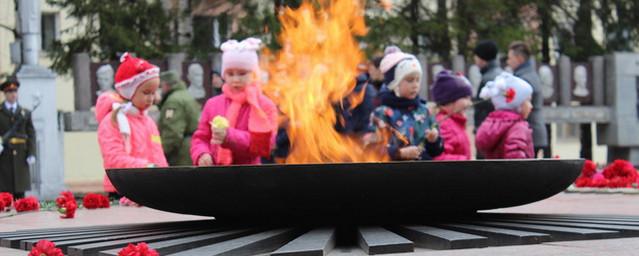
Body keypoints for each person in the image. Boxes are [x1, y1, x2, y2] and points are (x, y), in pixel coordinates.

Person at [191, 38, 278, 166]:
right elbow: (201, 138)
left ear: (254, 74)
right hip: (215, 174)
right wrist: (202, 154)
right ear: (224, 75)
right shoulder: (212, 104)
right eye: (230, 74)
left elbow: (266, 144)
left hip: (250, 175)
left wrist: (229, 136)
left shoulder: (265, 105)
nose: (236, 79)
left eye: (242, 73)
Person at [97, 53, 168, 197]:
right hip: (123, 188)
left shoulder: (148, 121)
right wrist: (146, 167)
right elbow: (113, 159)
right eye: (146, 92)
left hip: (151, 185)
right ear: (129, 91)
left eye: (154, 93)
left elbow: (158, 155)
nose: (151, 98)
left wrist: (165, 176)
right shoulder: (113, 120)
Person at [368, 50, 443, 161]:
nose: (415, 85)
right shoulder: (382, 113)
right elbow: (372, 149)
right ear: (395, 84)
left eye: (418, 80)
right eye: (410, 80)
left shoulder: (425, 111)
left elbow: (436, 151)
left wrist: (434, 141)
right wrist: (399, 153)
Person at [476, 73, 534, 159]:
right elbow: (516, 159)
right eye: (528, 101)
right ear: (517, 104)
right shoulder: (518, 127)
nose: (531, 106)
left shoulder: (491, 124)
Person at [507, 41, 548, 157]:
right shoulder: (529, 74)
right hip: (535, 131)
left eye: (510, 58)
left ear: (519, 58)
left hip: (530, 131)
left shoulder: (523, 79)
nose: (508, 62)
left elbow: (520, 106)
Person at [0, 80, 36, 198]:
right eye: (10, 92)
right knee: (4, 197)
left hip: (21, 158)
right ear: (5, 93)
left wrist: (31, 153)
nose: (13, 94)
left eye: (15, 91)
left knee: (20, 198)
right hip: (4, 159)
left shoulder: (24, 113)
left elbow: (31, 134)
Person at [158, 70, 201, 166]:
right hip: (191, 146)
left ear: (166, 85)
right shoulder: (186, 95)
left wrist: (162, 152)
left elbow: (173, 132)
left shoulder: (173, 101)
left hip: (181, 153)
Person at [430, 70, 473, 160]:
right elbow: (440, 157)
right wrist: (466, 162)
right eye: (465, 98)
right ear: (448, 101)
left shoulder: (456, 122)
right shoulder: (444, 125)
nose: (470, 103)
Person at [472, 40, 503, 158]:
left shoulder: (487, 79)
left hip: (487, 132)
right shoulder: (500, 74)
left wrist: (478, 130)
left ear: (482, 58)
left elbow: (482, 110)